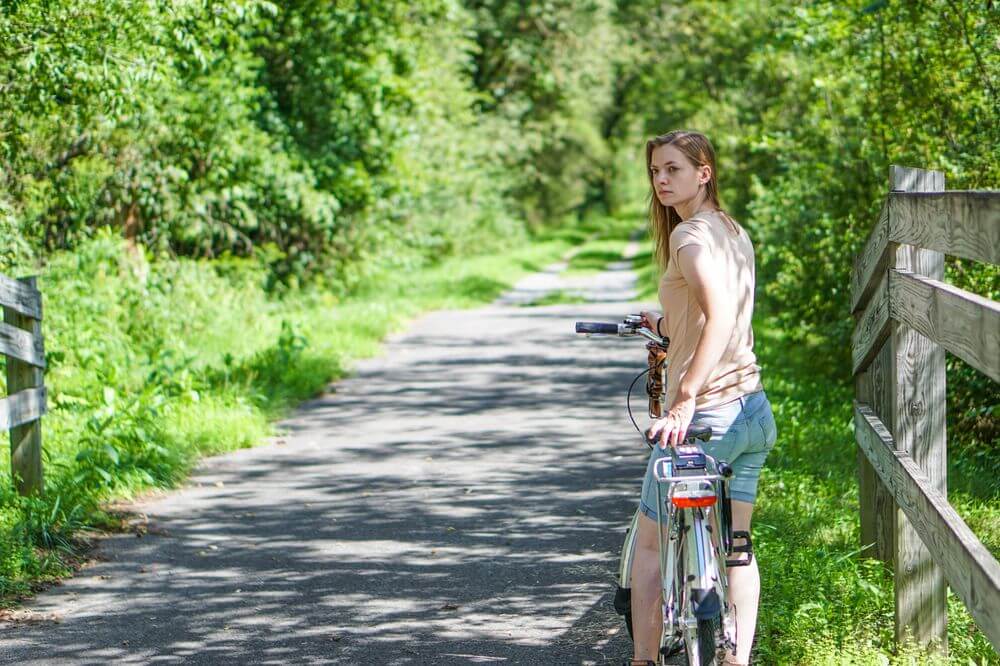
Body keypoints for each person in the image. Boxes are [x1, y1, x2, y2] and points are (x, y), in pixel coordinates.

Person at [627, 130, 778, 666]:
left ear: (704, 172)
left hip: (706, 415)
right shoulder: (733, 232)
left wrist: (685, 396)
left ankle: (643, 660)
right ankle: (734, 660)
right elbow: (711, 317)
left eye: (672, 169)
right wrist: (664, 323)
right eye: (655, 171)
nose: (661, 180)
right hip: (753, 411)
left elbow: (720, 318)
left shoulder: (688, 237)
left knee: (649, 544)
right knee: (738, 546)